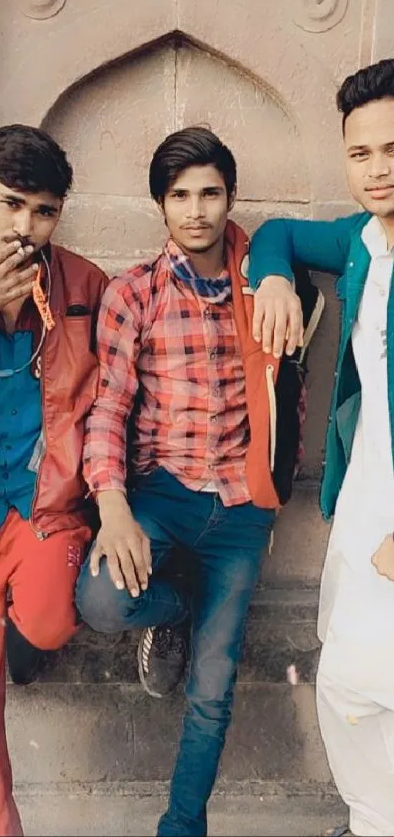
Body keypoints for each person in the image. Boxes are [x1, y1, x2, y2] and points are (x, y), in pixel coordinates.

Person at [75, 125, 322, 837]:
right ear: (160, 205)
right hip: (161, 494)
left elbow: (288, 393)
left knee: (212, 687)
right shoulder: (134, 293)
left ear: (229, 197)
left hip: (241, 509)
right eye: (179, 195)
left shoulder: (265, 284)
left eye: (209, 193)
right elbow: (109, 404)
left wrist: (271, 487)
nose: (195, 210)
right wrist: (113, 506)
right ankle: (174, 607)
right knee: (100, 599)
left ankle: (182, 826)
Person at [248, 58, 394, 837]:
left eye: (393, 149)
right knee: (345, 663)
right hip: (366, 488)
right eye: (361, 153)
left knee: (358, 676)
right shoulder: (362, 241)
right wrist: (272, 279)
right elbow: (274, 233)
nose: (378, 170)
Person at [0, 123, 108, 837]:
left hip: (40, 507)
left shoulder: (84, 283)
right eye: (9, 205)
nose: (25, 227)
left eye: (42, 211)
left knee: (50, 617)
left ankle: (21, 634)